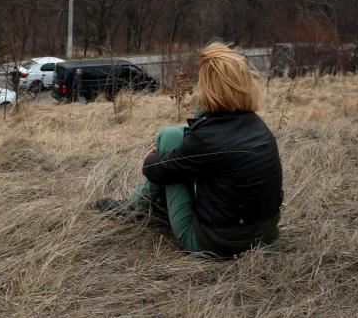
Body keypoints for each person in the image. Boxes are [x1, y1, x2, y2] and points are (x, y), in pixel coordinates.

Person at [96, 42, 283, 259]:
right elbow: (208, 140)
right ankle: (140, 207)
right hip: (265, 234)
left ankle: (134, 209)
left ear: (211, 88)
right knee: (176, 136)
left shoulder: (205, 139)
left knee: (168, 136)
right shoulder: (259, 126)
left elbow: (156, 170)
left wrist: (152, 158)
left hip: (216, 242)